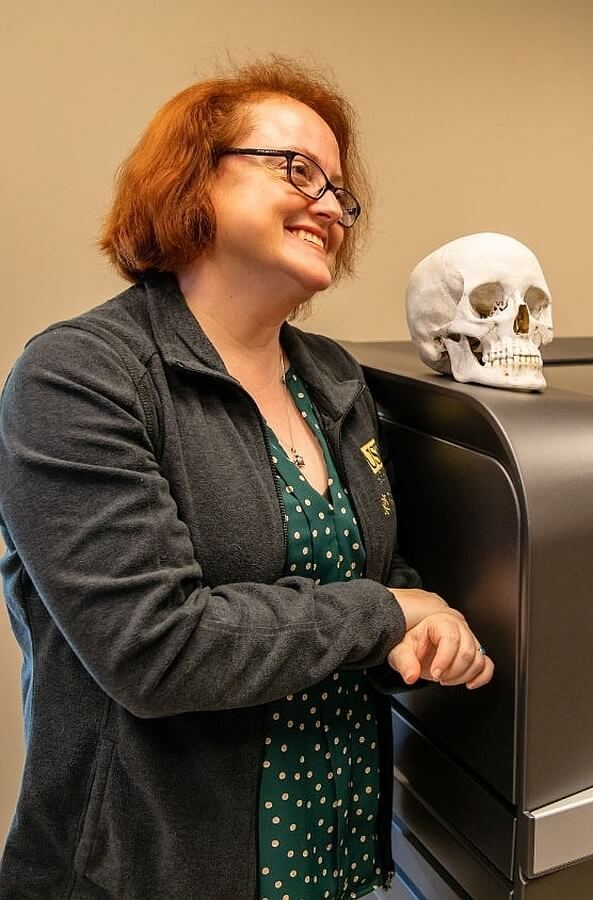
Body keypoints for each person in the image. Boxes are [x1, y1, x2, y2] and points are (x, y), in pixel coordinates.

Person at [0, 59, 493, 899]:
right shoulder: (79, 377)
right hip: (157, 871)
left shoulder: (333, 378)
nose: (330, 206)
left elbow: (368, 569)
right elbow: (157, 649)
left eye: (341, 192)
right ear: (192, 177)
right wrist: (387, 612)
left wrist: (418, 630)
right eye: (298, 169)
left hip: (332, 849)